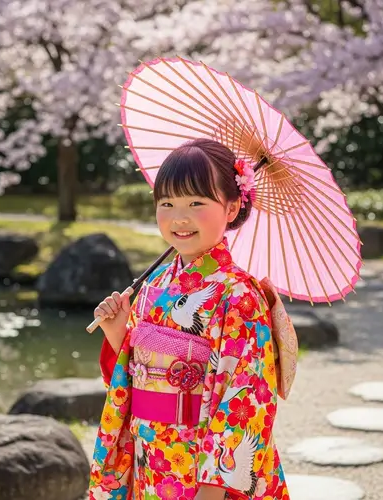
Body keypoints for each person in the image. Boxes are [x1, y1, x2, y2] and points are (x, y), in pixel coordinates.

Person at [89, 138, 294, 500]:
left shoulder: (239, 296)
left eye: (196, 203)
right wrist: (118, 331)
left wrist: (212, 490)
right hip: (151, 455)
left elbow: (245, 395)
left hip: (202, 466)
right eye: (166, 203)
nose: (179, 217)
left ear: (231, 208)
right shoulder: (154, 284)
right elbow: (137, 374)